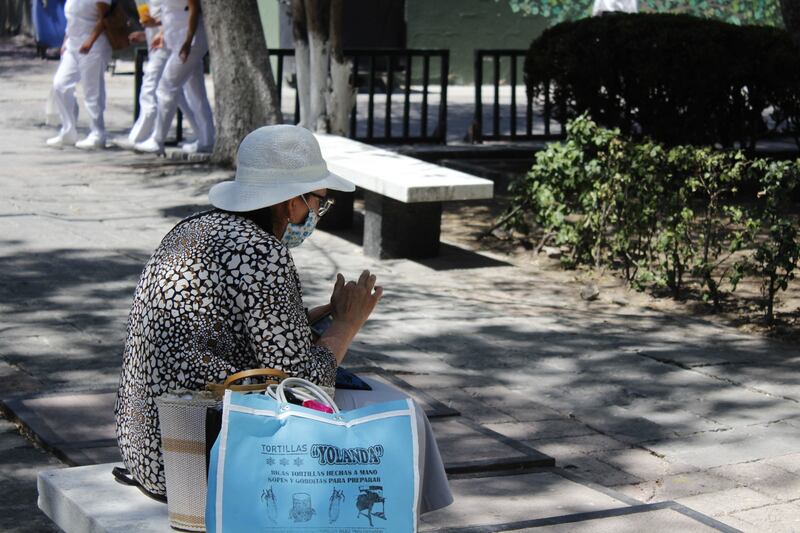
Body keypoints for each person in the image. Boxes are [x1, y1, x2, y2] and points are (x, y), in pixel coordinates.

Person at [115, 125, 453, 512]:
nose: (318, 214)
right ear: (293, 202)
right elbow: (301, 384)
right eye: (320, 203)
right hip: (201, 462)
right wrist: (347, 324)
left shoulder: (193, 228)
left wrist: (308, 319)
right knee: (400, 411)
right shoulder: (262, 253)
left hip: (146, 451)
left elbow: (230, 331)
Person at [114, 0, 200, 148]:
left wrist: (161, 32)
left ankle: (141, 137)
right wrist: (147, 32)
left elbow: (177, 12)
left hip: (169, 42)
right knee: (178, 92)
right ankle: (201, 132)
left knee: (152, 86)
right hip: (164, 39)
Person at [133, 0, 214, 154]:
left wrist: (188, 42)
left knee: (166, 88)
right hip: (180, 39)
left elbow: (194, 8)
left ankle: (157, 140)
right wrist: (162, 32)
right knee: (196, 92)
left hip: (188, 42)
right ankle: (207, 139)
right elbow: (173, 12)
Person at [46, 0, 112, 149]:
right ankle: (68, 131)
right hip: (73, 45)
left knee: (92, 92)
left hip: (93, 46)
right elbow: (72, 19)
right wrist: (65, 41)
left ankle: (98, 134)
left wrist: (90, 40)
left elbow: (104, 19)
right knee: (60, 85)